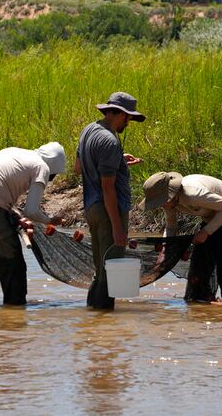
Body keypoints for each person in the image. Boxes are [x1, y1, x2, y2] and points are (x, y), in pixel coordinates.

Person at [0, 142, 67, 305]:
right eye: (54, 175)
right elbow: (31, 211)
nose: (51, 179)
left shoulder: (13, 152)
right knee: (13, 267)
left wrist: (16, 216)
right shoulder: (42, 167)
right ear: (52, 165)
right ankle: (14, 316)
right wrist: (50, 221)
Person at [75, 91, 145, 310]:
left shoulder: (89, 130)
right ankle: (104, 328)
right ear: (120, 114)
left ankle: (93, 318)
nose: (129, 123)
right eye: (129, 118)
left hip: (92, 209)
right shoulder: (109, 141)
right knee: (111, 271)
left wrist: (118, 162)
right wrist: (117, 228)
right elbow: (108, 189)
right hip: (108, 212)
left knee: (100, 270)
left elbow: (79, 168)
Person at [140, 172, 222, 305]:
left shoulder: (193, 195)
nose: (161, 205)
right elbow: (171, 227)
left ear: (171, 194)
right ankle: (201, 309)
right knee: (199, 270)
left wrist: (206, 232)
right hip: (211, 220)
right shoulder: (169, 202)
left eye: (161, 202)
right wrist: (165, 249)